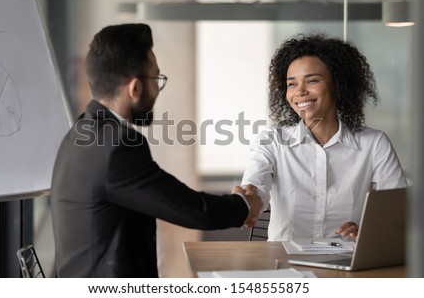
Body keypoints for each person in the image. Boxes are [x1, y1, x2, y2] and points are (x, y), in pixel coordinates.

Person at [50, 23, 262, 278]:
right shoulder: (118, 146)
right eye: (156, 80)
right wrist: (244, 205)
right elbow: (191, 209)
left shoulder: (78, 133)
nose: (157, 90)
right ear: (135, 88)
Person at [241, 33, 408, 241]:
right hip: (285, 264)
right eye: (292, 84)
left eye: (311, 81)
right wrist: (249, 203)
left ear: (338, 85)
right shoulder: (272, 142)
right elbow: (255, 189)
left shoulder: (374, 144)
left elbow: (397, 211)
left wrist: (367, 229)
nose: (300, 92)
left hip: (347, 263)